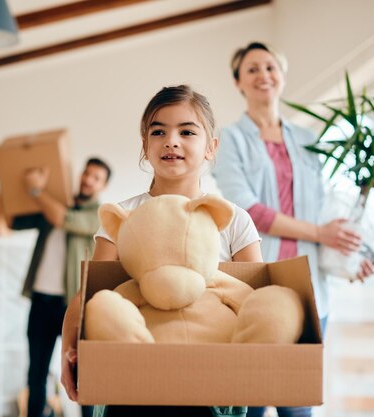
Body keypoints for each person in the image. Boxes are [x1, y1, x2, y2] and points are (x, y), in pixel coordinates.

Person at [60, 85, 262, 417]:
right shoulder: (122, 217)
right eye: (158, 131)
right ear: (145, 146)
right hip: (131, 383)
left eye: (187, 131)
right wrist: (67, 350)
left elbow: (254, 300)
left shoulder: (234, 220)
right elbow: (91, 295)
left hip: (211, 383)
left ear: (211, 147)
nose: (171, 140)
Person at [212, 41, 374, 417]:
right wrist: (321, 234)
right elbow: (247, 209)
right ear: (238, 82)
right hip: (256, 285)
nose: (263, 75)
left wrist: (352, 256)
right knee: (246, 404)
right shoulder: (230, 139)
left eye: (270, 67)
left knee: (297, 407)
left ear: (282, 77)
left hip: (310, 290)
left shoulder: (308, 140)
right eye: (252, 69)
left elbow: (324, 209)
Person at [20, 157, 111, 417]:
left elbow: (65, 219)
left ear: (102, 186)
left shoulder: (100, 214)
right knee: (35, 373)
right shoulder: (53, 207)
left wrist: (36, 190)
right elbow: (15, 221)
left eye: (96, 178)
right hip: (40, 301)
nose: (88, 180)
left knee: (84, 374)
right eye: (86, 173)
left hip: (73, 305)